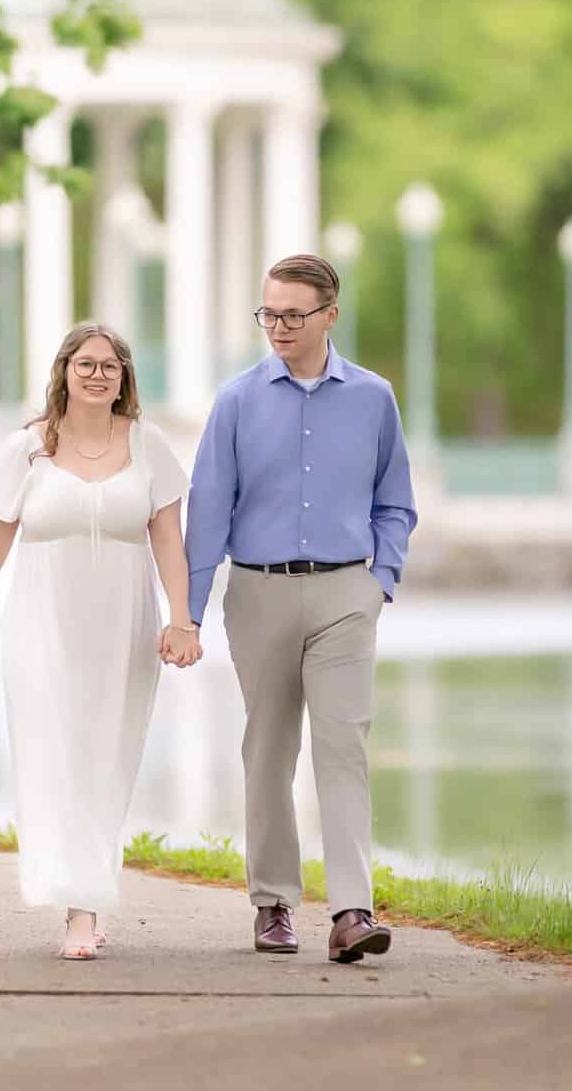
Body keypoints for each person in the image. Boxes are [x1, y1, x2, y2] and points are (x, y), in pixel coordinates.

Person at [185, 253, 418, 963]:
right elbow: (206, 511)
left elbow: (397, 501)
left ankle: (352, 911)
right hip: (258, 594)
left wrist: (380, 580)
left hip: (347, 594)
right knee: (269, 749)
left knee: (342, 746)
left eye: (292, 315)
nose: (278, 328)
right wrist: (188, 615)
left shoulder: (374, 399)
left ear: (329, 316)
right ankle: (274, 904)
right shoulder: (236, 401)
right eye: (269, 314)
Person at [0, 322, 201, 961]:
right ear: (63, 371)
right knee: (52, 754)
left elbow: (168, 538)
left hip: (122, 628)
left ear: (124, 378)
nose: (97, 375)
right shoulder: (26, 451)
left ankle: (86, 899)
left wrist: (182, 618)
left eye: (109, 366)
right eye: (85, 364)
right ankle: (76, 906)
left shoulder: (149, 447)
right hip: (41, 626)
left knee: (104, 759)